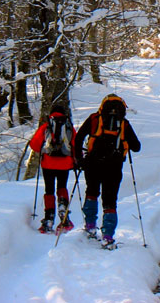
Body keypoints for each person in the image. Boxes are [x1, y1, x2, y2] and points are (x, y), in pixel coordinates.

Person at [74, 94, 141, 248]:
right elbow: (137, 147)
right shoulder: (123, 124)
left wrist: (79, 158)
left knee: (91, 192)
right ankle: (108, 235)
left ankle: (90, 225)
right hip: (114, 166)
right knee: (110, 200)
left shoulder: (94, 119)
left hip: (92, 164)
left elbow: (78, 139)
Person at [29, 102, 79, 233]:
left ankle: (49, 218)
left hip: (48, 163)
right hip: (65, 163)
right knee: (62, 186)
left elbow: (34, 144)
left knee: (49, 189)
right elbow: (76, 144)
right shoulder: (69, 126)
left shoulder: (46, 126)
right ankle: (64, 211)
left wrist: (42, 149)